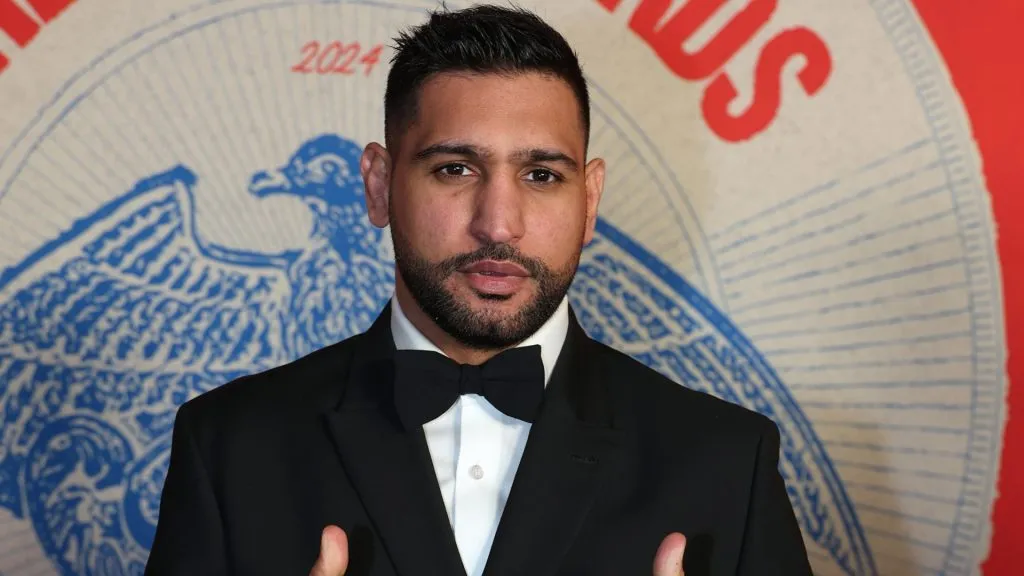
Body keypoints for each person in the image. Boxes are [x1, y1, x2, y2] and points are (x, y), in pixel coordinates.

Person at [144, 4, 812, 576]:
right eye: (455, 168)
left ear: (590, 200)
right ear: (379, 185)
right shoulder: (230, 447)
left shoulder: (727, 461)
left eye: (542, 175)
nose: (498, 224)